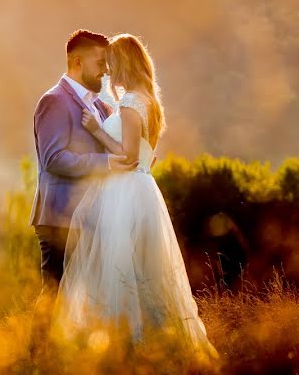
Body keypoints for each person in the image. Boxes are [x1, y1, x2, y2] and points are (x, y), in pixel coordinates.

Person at [51, 33, 219, 362]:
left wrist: (98, 131)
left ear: (125, 63)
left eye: (112, 64)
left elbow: (128, 157)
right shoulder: (149, 100)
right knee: (147, 269)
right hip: (144, 190)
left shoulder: (130, 102)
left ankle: (121, 345)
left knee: (117, 269)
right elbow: (148, 157)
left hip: (125, 191)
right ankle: (157, 344)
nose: (109, 72)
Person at [28, 29, 138, 356]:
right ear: (76, 61)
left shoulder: (101, 107)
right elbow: (54, 159)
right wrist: (106, 163)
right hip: (60, 216)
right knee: (54, 292)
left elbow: (119, 148)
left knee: (88, 297)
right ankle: (34, 358)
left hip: (90, 218)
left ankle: (78, 357)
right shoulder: (54, 101)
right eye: (100, 62)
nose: (106, 70)